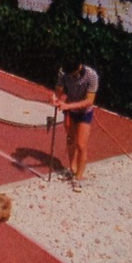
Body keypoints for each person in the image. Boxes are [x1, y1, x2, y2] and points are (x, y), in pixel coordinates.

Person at [52, 61, 99, 190]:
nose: (70, 77)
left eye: (73, 75)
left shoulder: (91, 76)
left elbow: (89, 101)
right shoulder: (64, 71)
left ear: (78, 68)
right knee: (70, 139)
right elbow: (60, 89)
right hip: (70, 111)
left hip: (84, 112)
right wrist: (57, 98)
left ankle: (79, 177)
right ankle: (72, 169)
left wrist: (68, 105)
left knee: (81, 144)